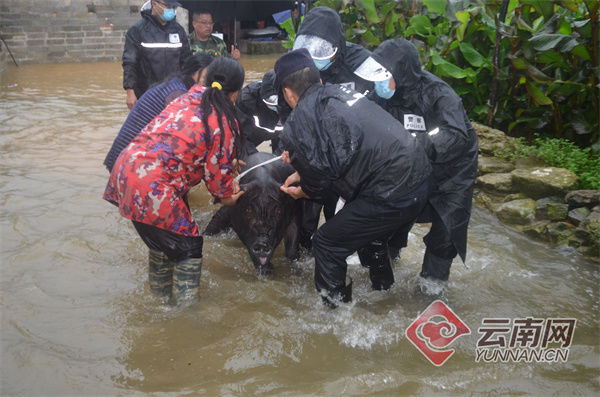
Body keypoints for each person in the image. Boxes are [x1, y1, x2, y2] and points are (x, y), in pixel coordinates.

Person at [275, 49, 433, 306]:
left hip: (392, 191)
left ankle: (336, 318)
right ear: (319, 80)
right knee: (371, 235)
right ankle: (385, 294)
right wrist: (303, 170)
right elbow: (338, 156)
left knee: (326, 243)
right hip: (420, 178)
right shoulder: (339, 93)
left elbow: (318, 181)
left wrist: (304, 189)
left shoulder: (301, 117)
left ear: (288, 93)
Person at [103, 57, 246, 307]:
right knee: (189, 247)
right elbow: (219, 186)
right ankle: (184, 315)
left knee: (163, 243)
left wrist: (222, 167)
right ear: (236, 93)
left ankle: (159, 304)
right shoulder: (223, 119)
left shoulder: (186, 98)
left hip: (125, 171)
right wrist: (229, 195)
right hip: (152, 185)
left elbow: (186, 147)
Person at [354, 38, 478, 281]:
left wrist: (415, 145)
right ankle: (390, 261)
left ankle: (432, 288)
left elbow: (457, 137)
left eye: (384, 76)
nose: (378, 83)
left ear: (401, 73)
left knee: (447, 231)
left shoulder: (439, 95)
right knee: (389, 212)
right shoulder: (381, 95)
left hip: (452, 171)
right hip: (410, 165)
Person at [104, 54, 214, 172]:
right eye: (206, 75)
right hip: (127, 160)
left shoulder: (176, 84)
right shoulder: (178, 94)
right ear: (194, 72)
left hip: (124, 157)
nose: (207, 81)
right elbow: (182, 138)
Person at [122, 0, 192, 110]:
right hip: (145, 95)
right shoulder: (137, 31)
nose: (171, 10)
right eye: (168, 6)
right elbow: (130, 63)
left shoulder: (178, 30)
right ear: (154, 4)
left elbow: (187, 62)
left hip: (173, 95)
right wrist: (130, 92)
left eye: (173, 7)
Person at [293, 6, 372, 94]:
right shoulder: (294, 64)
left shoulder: (362, 63)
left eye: (322, 50)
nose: (313, 56)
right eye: (308, 47)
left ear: (336, 47)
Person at [235, 70, 282, 155]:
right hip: (253, 133)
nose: (275, 106)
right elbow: (242, 137)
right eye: (271, 101)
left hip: (277, 133)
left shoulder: (291, 100)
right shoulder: (246, 100)